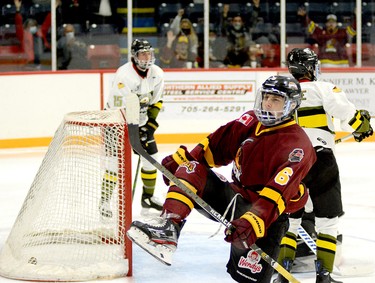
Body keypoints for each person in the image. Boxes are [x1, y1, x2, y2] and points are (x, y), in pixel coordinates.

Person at [127, 75, 317, 283]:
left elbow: (278, 192)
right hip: (235, 199)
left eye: (276, 100)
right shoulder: (251, 120)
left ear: (290, 106)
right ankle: (168, 229)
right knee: (192, 167)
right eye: (266, 97)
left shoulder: (298, 145)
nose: (267, 104)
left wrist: (253, 221)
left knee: (248, 279)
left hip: (267, 217)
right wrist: (182, 163)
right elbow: (216, 146)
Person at [273, 48, 373, 283]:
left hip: (289, 163)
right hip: (320, 160)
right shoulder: (323, 88)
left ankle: (283, 273)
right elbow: (348, 115)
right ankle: (324, 275)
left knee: (291, 218)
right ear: (310, 67)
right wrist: (362, 126)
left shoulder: (281, 93)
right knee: (328, 221)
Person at [100, 38, 165, 217]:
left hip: (141, 124)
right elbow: (118, 109)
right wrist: (134, 131)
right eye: (142, 53)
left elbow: (157, 101)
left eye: (148, 53)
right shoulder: (124, 75)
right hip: (117, 124)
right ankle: (104, 202)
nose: (146, 57)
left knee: (152, 160)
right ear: (134, 56)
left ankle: (148, 198)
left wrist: (149, 126)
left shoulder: (157, 73)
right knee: (114, 166)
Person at [14, 0, 53, 69]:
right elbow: (18, 24)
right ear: (26, 27)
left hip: (42, 62)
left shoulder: (40, 32)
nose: (32, 27)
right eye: (30, 25)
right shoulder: (23, 34)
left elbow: (47, 22)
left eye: (33, 25)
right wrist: (17, 10)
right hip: (28, 63)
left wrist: (53, 9)